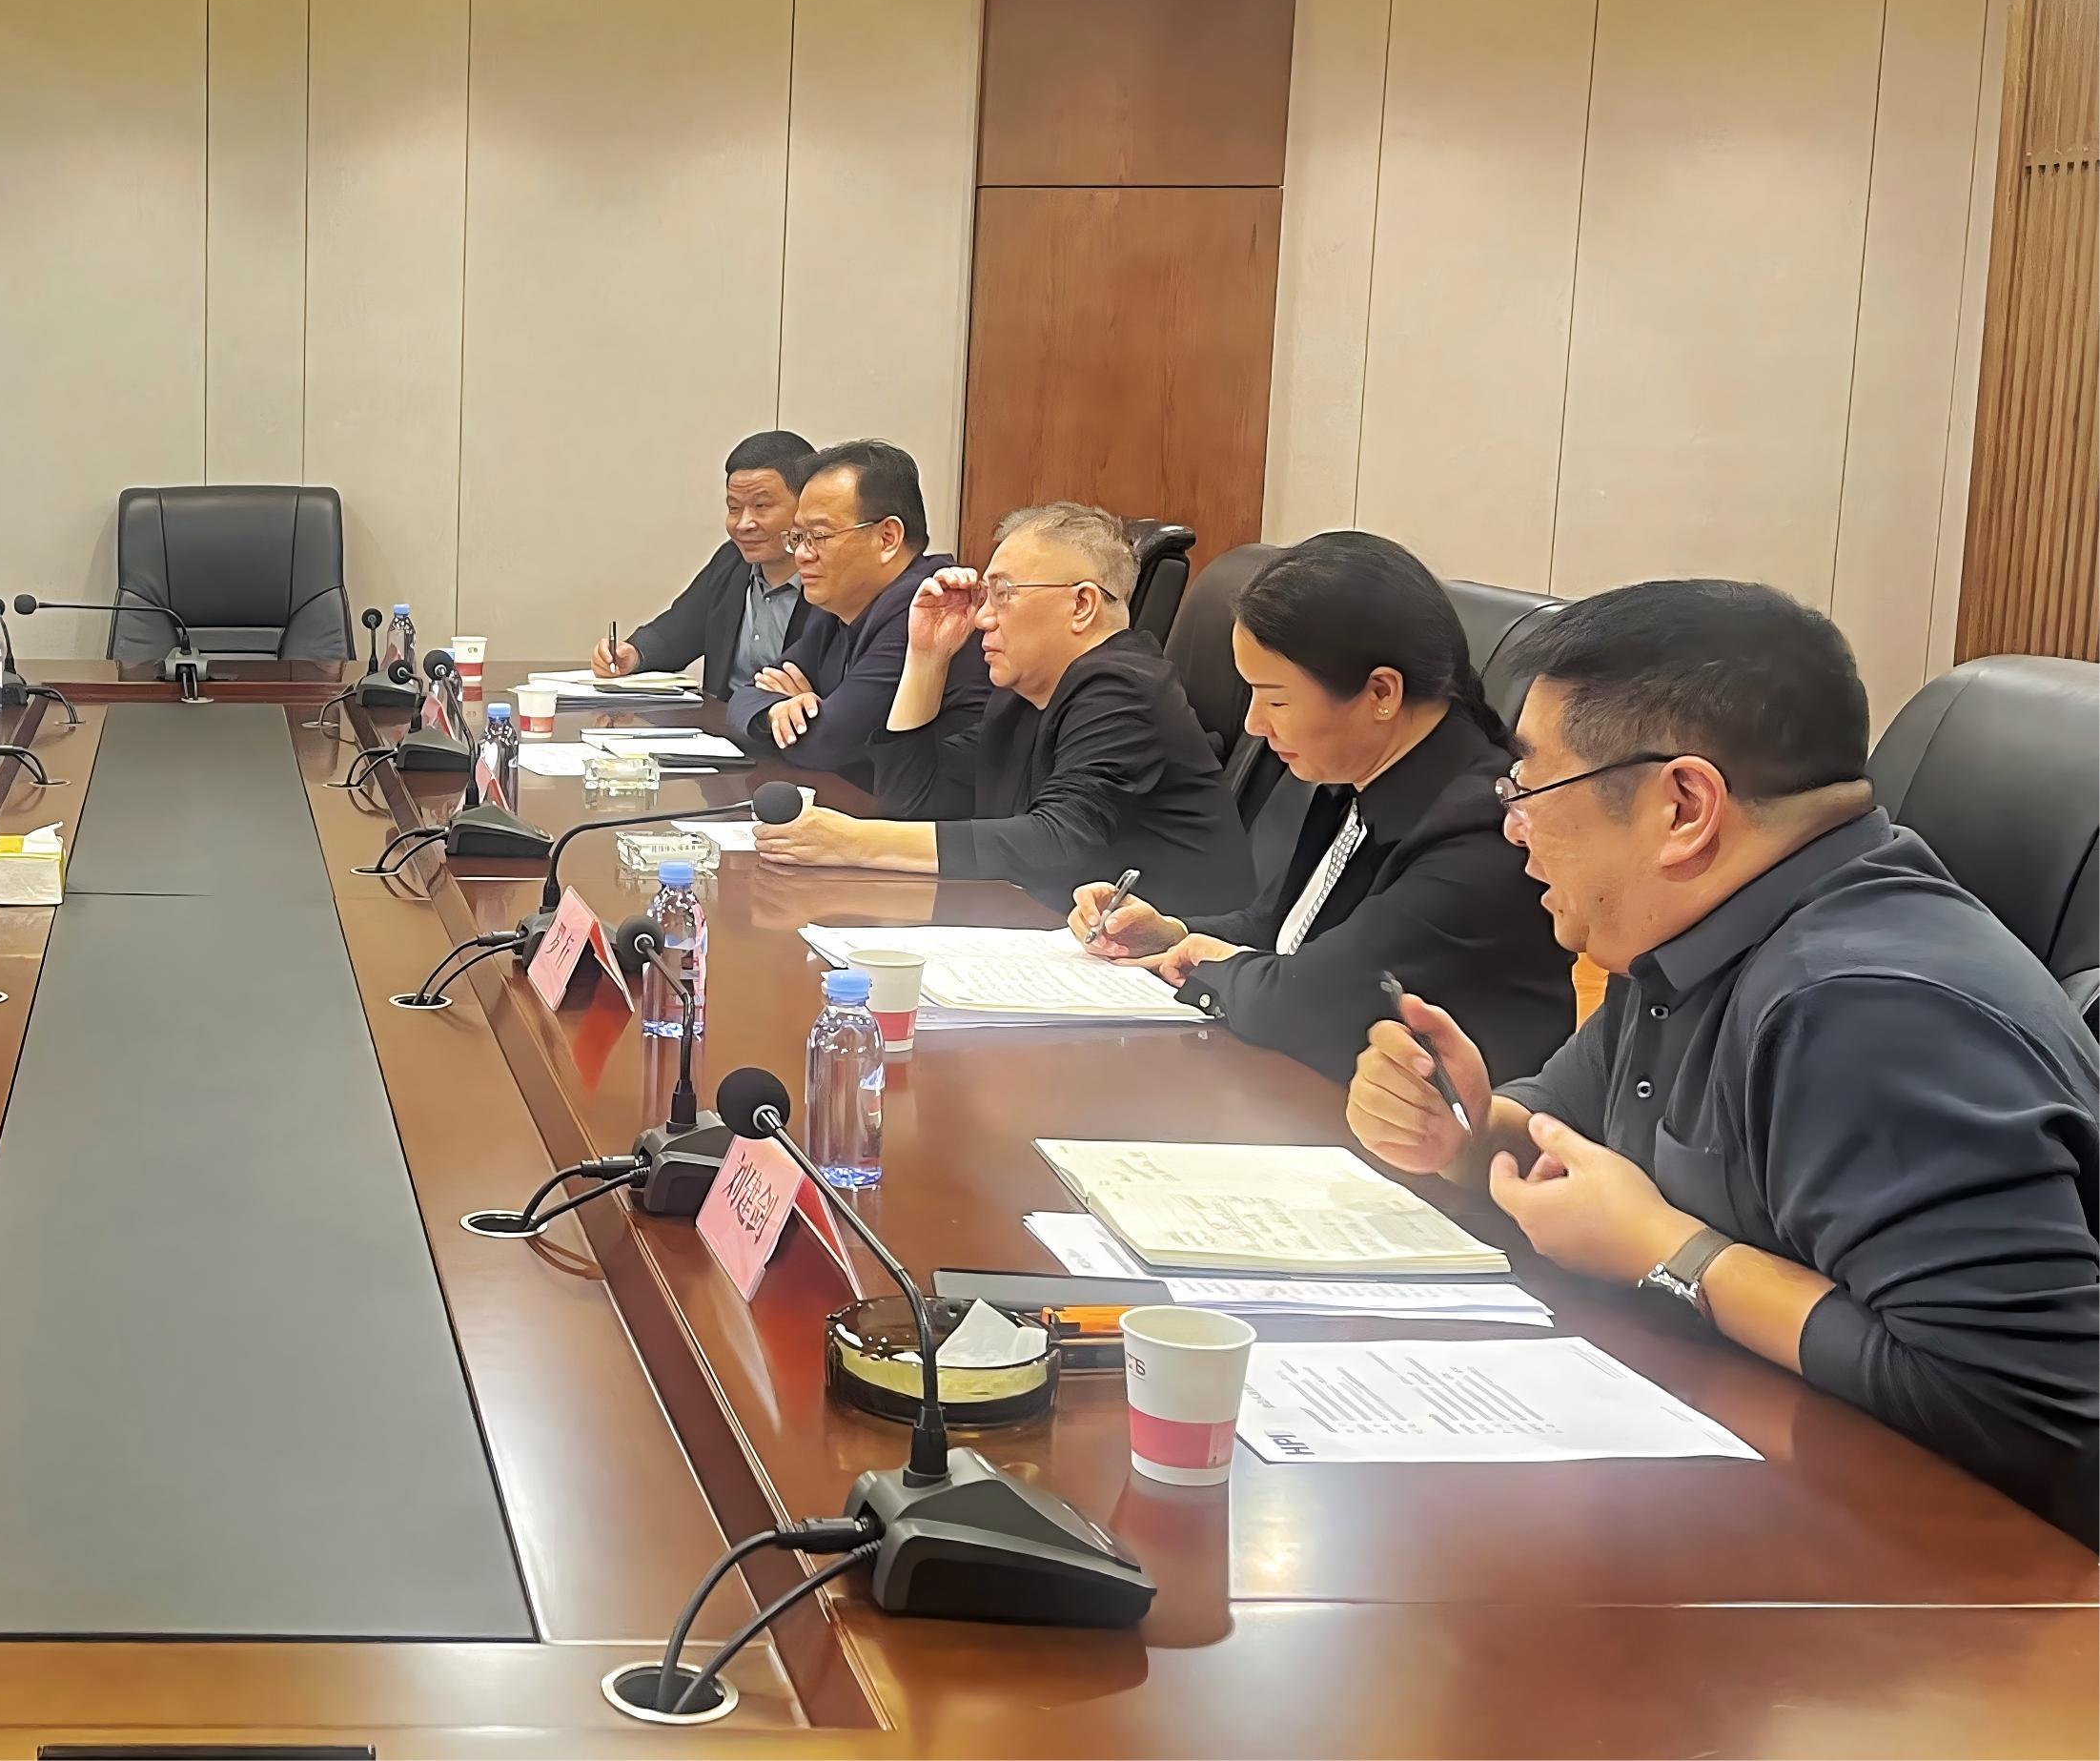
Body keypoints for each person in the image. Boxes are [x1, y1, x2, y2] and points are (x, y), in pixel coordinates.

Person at [1349, 580, 2098, 1545]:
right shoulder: (1697, 930)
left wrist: (1670, 1253)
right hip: (1777, 1493)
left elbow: (2021, 1415)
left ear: (1683, 807)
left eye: (1528, 787)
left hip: (1976, 1586)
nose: (1511, 825)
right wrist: (1461, 1131)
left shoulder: (1863, 1007)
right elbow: (1564, 1127)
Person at [1070, 532, 1570, 1082]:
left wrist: (1213, 966)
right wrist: (1174, 933)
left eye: (1276, 698)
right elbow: (1284, 927)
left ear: (1382, 693)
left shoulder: (1482, 829)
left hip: (1441, 1124)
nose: (1254, 724)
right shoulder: (1360, 780)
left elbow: (1313, 997)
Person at [758, 502, 1253, 912]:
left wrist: (854, 842)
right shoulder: (1024, 696)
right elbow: (913, 804)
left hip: (1169, 968)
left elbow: (1058, 842)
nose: (982, 618)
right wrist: (926, 658)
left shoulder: (1123, 689)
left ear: (1081, 605)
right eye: (985, 596)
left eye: (1004, 594)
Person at [728, 439, 987, 786]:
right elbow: (747, 694)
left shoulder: (927, 609)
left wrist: (803, 711)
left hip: (937, 813)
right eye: (798, 537)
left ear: (888, 538)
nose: (802, 554)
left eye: (819, 536)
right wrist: (775, 711)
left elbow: (826, 745)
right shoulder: (838, 606)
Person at [590, 430, 811, 702]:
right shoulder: (732, 561)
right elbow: (676, 633)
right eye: (734, 508)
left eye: (761, 505)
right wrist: (633, 655)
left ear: (808, 503)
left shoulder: (830, 580)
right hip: (722, 723)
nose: (743, 524)